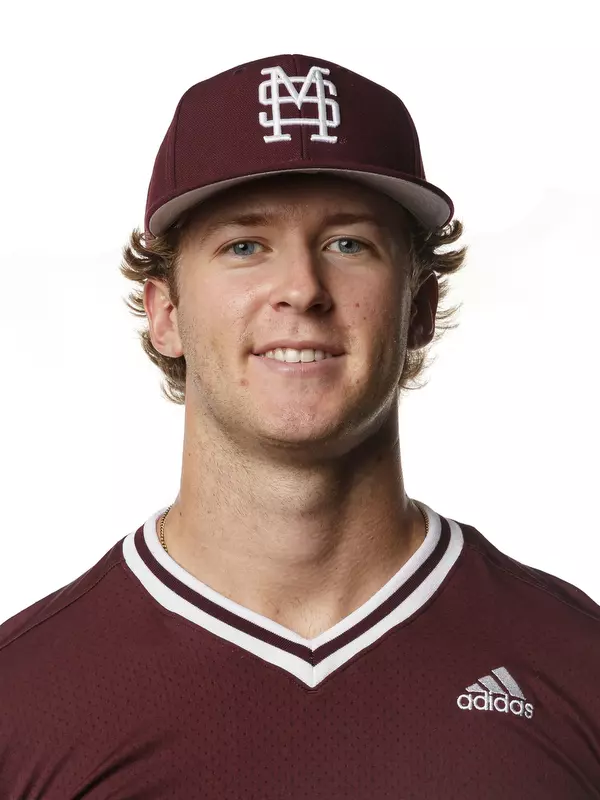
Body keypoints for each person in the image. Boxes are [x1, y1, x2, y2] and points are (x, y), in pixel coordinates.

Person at [1, 53, 598, 799]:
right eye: (244, 246)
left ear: (417, 307)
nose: (302, 290)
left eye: (348, 243)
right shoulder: (23, 698)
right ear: (166, 314)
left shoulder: (577, 664)